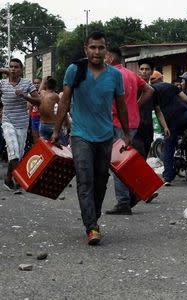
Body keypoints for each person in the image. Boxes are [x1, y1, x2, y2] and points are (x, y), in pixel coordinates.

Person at [51, 32, 131, 245]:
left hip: (105, 136)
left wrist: (126, 133)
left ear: (106, 50)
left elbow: (122, 105)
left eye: (101, 48)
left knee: (101, 181)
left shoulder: (115, 75)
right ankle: (91, 226)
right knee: (85, 180)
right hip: (80, 136)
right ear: (85, 49)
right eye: (93, 47)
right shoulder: (74, 70)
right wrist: (56, 131)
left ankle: (93, 217)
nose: (97, 52)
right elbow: (65, 101)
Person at [103, 48, 155, 215]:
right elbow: (150, 90)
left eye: (104, 55)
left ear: (110, 57)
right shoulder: (132, 74)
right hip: (133, 122)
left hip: (117, 122)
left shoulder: (110, 74)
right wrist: (136, 106)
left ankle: (124, 201)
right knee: (126, 161)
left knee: (118, 163)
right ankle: (139, 190)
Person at [150, 74, 187, 185]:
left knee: (169, 146)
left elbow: (158, 111)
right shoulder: (171, 86)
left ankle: (168, 177)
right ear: (161, 79)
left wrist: (165, 127)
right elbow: (186, 99)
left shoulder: (152, 91)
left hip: (171, 121)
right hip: (186, 114)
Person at [1, 58, 41, 192]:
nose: (13, 69)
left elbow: (39, 101)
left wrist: (25, 95)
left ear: (21, 69)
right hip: (7, 121)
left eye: (16, 67)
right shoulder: (2, 83)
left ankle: (8, 179)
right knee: (13, 151)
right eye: (11, 67)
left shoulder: (27, 83)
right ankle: (20, 180)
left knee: (18, 154)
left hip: (22, 123)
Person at [132, 59, 155, 158]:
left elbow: (157, 109)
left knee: (144, 156)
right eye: (142, 69)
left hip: (148, 128)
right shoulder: (133, 87)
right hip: (135, 128)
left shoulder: (153, 90)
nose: (144, 71)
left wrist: (165, 126)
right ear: (138, 71)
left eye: (147, 69)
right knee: (138, 157)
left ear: (152, 71)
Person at [37, 77, 64, 141]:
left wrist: (43, 80)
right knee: (60, 146)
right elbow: (63, 108)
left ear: (46, 85)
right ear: (55, 87)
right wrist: (67, 123)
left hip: (42, 124)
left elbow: (39, 91)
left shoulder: (42, 93)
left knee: (45, 146)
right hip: (52, 125)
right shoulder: (55, 96)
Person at [30, 78, 42, 143]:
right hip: (34, 117)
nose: (36, 85)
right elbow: (30, 108)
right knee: (36, 140)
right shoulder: (31, 94)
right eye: (35, 83)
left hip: (42, 118)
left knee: (42, 139)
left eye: (38, 83)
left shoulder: (43, 93)